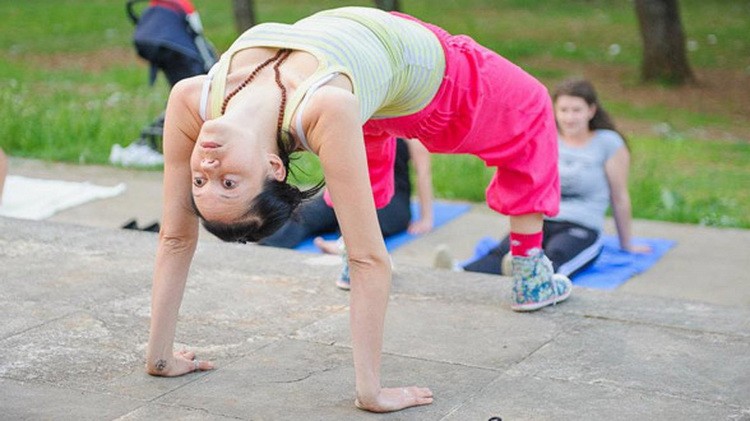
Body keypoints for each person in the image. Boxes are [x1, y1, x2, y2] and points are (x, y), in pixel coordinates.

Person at [146, 7, 570, 413]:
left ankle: (350, 251)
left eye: (200, 182)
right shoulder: (325, 110)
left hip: (373, 74)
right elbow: (373, 259)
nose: (207, 167)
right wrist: (371, 392)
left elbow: (175, 232)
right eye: (229, 183)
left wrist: (158, 358)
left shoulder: (192, 98)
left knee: (363, 131)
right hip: (432, 76)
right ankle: (531, 274)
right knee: (532, 105)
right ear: (273, 168)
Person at [460, 78, 651, 277]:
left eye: (576, 110)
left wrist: (626, 244)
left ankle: (532, 277)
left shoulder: (608, 143)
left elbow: (619, 197)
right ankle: (459, 271)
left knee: (556, 256)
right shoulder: (545, 135)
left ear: (591, 111)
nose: (569, 117)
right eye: (564, 110)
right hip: (540, 219)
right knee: (503, 252)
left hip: (581, 225)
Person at [259, 137, 434, 250]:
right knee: (307, 215)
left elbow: (423, 173)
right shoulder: (360, 120)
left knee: (369, 222)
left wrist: (426, 218)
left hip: (391, 199)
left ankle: (343, 247)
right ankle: (268, 240)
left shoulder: (408, 128)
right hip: (350, 194)